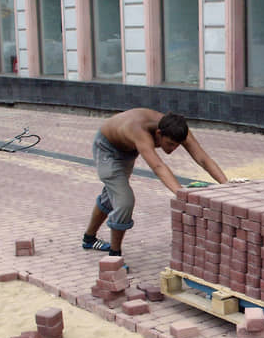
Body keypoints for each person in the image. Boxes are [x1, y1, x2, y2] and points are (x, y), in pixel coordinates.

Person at [82, 108, 229, 258]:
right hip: (107, 149)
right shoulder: (140, 131)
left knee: (113, 195)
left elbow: (203, 159)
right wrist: (182, 194)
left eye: (177, 145)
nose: (172, 149)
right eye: (170, 144)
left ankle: (89, 239)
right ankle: (114, 256)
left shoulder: (178, 129)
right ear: (158, 133)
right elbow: (158, 167)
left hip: (128, 149)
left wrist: (227, 184)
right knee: (124, 201)